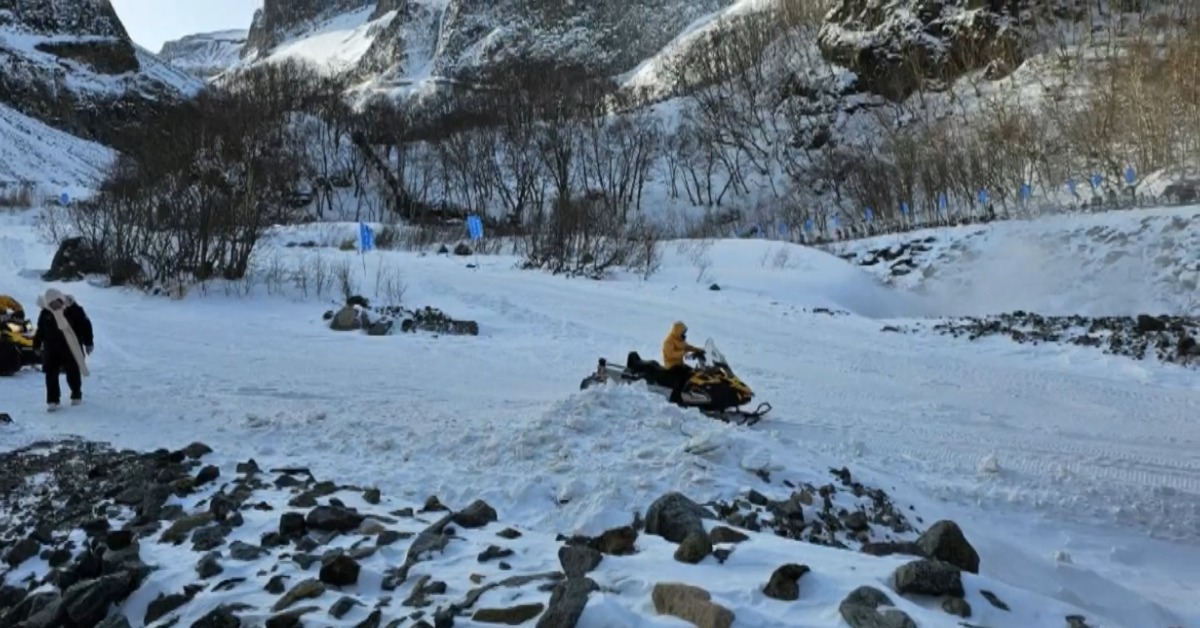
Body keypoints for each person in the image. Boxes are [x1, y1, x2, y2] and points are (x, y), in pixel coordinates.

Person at [31, 288, 93, 410]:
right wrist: (36, 345)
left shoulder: (73, 309)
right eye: (51, 304)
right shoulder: (46, 314)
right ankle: (53, 400)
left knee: (72, 371)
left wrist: (88, 342)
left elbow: (85, 325)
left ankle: (76, 394)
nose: (54, 306)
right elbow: (40, 331)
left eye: (56, 302)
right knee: (51, 374)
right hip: (52, 348)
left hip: (70, 347)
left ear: (60, 299)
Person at [661, 321, 704, 404]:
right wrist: (683, 353)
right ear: (677, 332)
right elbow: (670, 354)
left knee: (695, 373)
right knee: (683, 377)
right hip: (671, 365)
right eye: (683, 332)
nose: (684, 334)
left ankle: (695, 395)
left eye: (684, 332)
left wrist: (698, 350)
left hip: (679, 364)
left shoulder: (679, 339)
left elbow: (687, 347)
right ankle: (675, 398)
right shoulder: (668, 341)